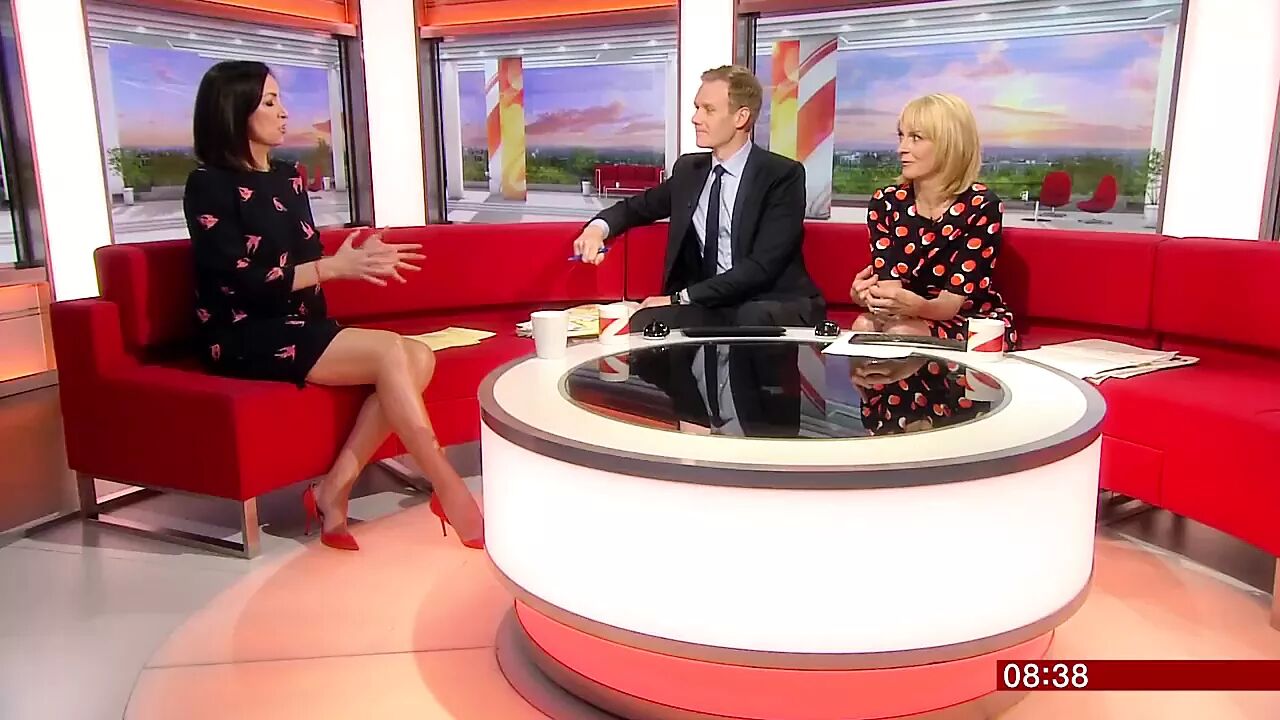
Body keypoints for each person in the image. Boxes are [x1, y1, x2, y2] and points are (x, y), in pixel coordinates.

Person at [182, 60, 483, 552]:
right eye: (269, 102)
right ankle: (447, 485)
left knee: (418, 356)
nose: (283, 112)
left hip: (301, 322)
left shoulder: (288, 177)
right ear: (234, 112)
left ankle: (333, 488)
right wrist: (332, 269)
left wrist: (351, 260)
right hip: (243, 332)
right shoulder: (208, 185)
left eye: (280, 100)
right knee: (392, 352)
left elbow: (304, 257)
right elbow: (241, 281)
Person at [571, 65, 824, 329]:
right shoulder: (689, 171)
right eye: (697, 108)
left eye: (708, 110)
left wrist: (679, 298)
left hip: (771, 301)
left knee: (750, 318)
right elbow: (636, 208)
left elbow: (762, 267)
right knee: (645, 321)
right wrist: (596, 230)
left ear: (741, 117)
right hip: (713, 304)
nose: (695, 118)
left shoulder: (782, 175)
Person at [848, 93, 1017, 349]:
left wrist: (914, 306)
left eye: (916, 138)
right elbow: (890, 288)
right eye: (901, 136)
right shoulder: (885, 202)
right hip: (905, 317)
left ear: (949, 145)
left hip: (970, 320)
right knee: (865, 326)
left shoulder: (982, 206)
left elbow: (948, 306)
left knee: (902, 332)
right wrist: (871, 298)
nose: (901, 148)